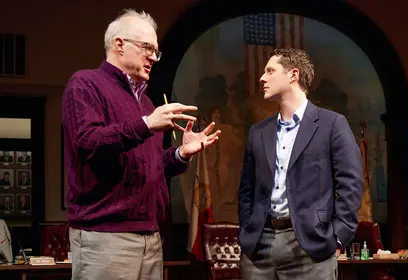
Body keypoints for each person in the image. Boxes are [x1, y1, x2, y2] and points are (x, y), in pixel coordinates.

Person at [61, 9, 221, 280]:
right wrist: (146, 124)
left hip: (150, 237)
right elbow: (89, 143)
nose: (153, 57)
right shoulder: (86, 84)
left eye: (156, 51)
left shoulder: (145, 104)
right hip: (106, 238)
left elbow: (148, 166)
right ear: (119, 44)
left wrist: (181, 154)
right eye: (147, 47)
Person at [238, 48, 363, 280]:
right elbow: (247, 189)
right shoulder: (258, 132)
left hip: (310, 247)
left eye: (270, 71)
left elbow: (351, 184)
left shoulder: (332, 124)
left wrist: (337, 236)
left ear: (293, 75)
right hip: (258, 247)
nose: (262, 78)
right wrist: (247, 229)